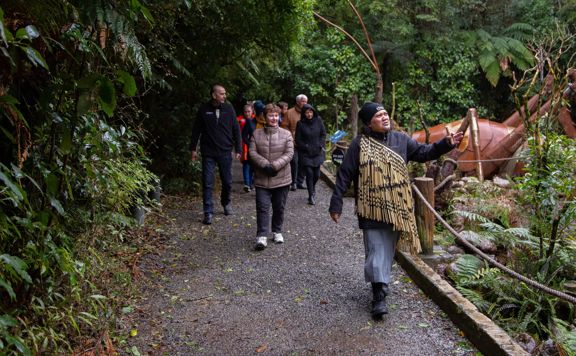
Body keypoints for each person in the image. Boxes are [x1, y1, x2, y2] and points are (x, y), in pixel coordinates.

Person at [328, 102, 463, 319]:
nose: (384, 117)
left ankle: (380, 283)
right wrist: (336, 203)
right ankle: (379, 295)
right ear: (369, 122)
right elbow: (345, 174)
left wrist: (447, 144)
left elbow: (424, 152)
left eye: (385, 114)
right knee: (375, 248)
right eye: (379, 115)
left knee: (387, 248)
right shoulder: (359, 145)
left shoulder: (401, 140)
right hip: (370, 207)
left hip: (396, 207)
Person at [190, 84, 241, 225]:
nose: (224, 96)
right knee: (207, 182)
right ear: (214, 95)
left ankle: (226, 203)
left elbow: (236, 129)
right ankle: (208, 212)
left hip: (225, 151)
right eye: (222, 93)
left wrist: (238, 148)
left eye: (225, 93)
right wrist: (193, 149)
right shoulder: (203, 109)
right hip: (208, 152)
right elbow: (196, 130)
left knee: (227, 181)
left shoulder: (229, 108)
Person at [249, 103, 294, 250]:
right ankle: (262, 235)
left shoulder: (286, 134)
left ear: (279, 116)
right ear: (265, 117)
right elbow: (252, 152)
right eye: (271, 115)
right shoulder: (256, 134)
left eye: (276, 115)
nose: (274, 118)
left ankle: (277, 231)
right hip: (262, 178)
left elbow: (289, 153)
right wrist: (264, 165)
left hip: (281, 178)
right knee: (262, 207)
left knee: (279, 207)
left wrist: (274, 166)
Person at [295, 104, 326, 205]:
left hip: (317, 152)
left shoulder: (319, 121)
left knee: (316, 175)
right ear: (304, 113)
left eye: (310, 112)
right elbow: (298, 140)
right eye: (307, 112)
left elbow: (323, 134)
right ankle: (311, 195)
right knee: (309, 173)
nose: (309, 114)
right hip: (306, 153)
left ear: (313, 112)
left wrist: (320, 144)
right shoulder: (300, 124)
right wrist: (305, 146)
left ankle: (312, 188)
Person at [281, 94, 308, 191]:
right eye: (302, 101)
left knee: (304, 162)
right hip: (293, 142)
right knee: (294, 162)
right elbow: (284, 126)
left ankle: (300, 181)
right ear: (297, 102)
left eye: (305, 101)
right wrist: (292, 137)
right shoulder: (289, 112)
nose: (304, 103)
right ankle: (293, 182)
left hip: (305, 143)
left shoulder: (308, 112)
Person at [239, 104, 255, 192]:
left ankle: (250, 182)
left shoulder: (255, 120)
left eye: (249, 111)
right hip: (244, 145)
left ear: (252, 111)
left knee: (252, 165)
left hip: (252, 145)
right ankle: (247, 184)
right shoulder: (239, 120)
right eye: (245, 112)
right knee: (246, 164)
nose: (247, 113)